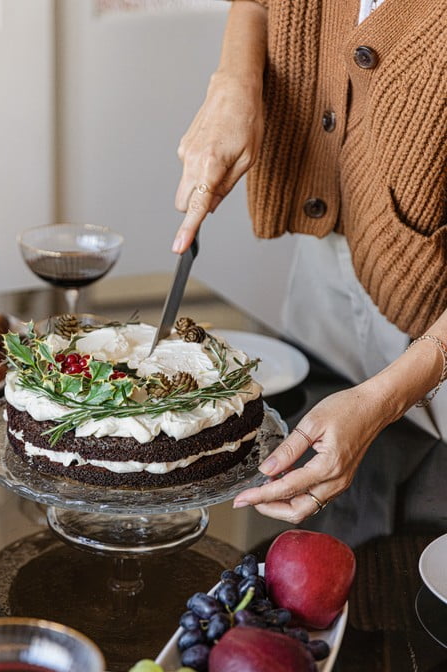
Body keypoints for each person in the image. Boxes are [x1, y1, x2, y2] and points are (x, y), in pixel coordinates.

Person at [172, 0, 447, 523]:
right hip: (324, 266)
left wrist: (385, 399)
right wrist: (233, 82)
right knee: (319, 539)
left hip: (437, 331)